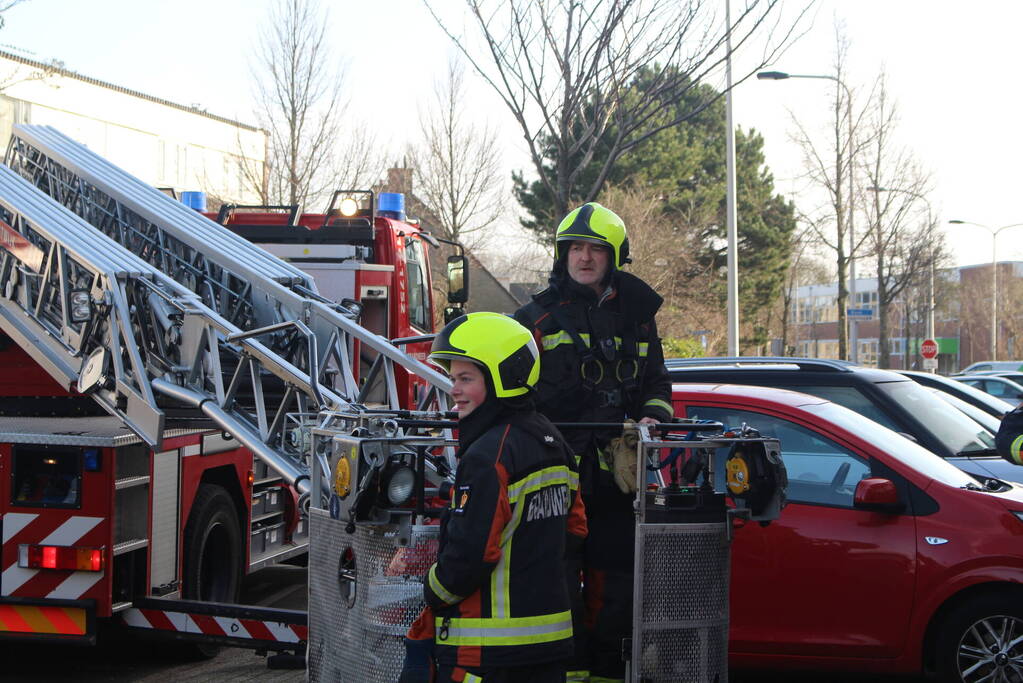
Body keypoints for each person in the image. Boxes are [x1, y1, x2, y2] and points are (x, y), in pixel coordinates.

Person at [514, 203, 672, 683]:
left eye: (595, 249)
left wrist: (650, 418)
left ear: (614, 256)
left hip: (617, 480)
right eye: (575, 248)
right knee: (557, 584)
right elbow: (513, 396)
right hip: (556, 475)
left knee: (617, 587)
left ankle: (607, 673)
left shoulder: (639, 317)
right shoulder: (534, 319)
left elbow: (657, 384)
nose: (583, 258)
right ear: (562, 255)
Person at [414, 311, 587, 683]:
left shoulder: (488, 455)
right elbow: (575, 532)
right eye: (453, 378)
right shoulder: (555, 442)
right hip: (550, 644)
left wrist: (430, 591)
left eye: (466, 379)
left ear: (502, 379)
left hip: (487, 651)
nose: (454, 390)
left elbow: (470, 556)